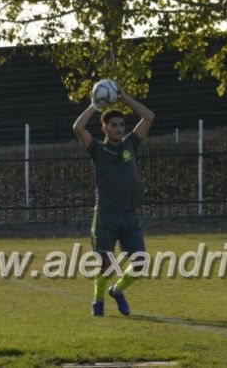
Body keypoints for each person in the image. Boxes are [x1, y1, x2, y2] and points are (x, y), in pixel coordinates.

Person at [72, 84, 154, 317]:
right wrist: (94, 105)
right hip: (106, 216)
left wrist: (124, 98)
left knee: (140, 264)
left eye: (121, 125)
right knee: (107, 265)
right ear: (104, 128)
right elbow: (77, 127)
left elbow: (149, 116)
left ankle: (117, 291)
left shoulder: (131, 143)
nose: (119, 128)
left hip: (129, 216)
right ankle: (97, 301)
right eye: (113, 125)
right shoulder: (97, 149)